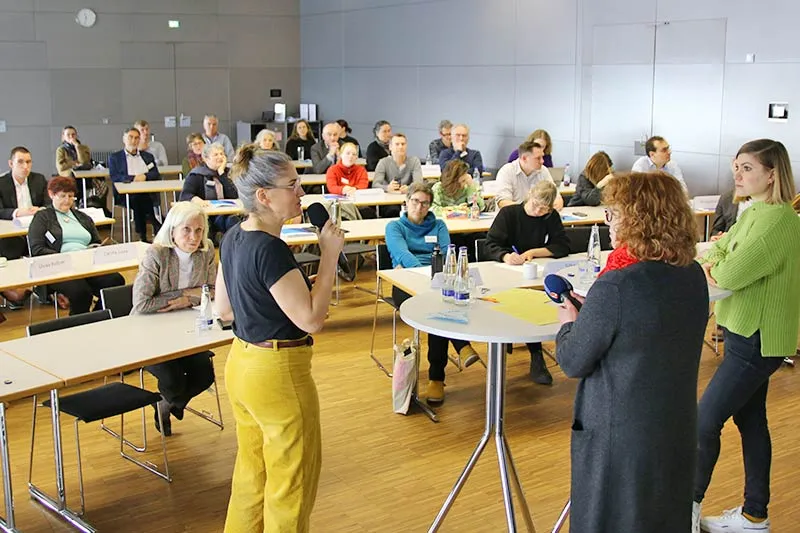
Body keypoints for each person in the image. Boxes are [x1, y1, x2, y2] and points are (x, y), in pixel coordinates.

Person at [555, 171, 709, 533]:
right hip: (674, 427)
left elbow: (573, 360)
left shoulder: (617, 285)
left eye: (614, 212)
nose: (608, 221)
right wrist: (594, 310)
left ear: (639, 217)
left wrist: (568, 322)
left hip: (619, 439)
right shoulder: (693, 275)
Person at [214, 145, 344, 532]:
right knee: (290, 487)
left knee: (251, 477)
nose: (302, 194)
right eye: (293, 185)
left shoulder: (234, 237)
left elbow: (224, 310)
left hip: (242, 366)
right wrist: (329, 256)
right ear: (264, 196)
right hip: (279, 375)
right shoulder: (270, 250)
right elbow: (311, 320)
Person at [694, 139, 800, 533]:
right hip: (743, 331)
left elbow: (726, 272)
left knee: (704, 422)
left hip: (757, 338)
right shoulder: (753, 211)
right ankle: (755, 515)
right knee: (752, 422)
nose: (737, 175)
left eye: (747, 169)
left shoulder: (777, 221)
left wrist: (720, 259)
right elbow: (714, 253)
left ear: (772, 174)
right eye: (736, 167)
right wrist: (720, 257)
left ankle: (685, 510)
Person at [385, 182, 479, 403]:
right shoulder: (395, 227)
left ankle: (437, 378)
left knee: (439, 306)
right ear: (406, 201)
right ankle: (458, 350)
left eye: (425, 203)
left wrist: (439, 277)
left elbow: (448, 253)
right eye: (415, 201)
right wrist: (424, 277)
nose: (419, 206)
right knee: (438, 307)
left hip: (438, 280)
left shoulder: (438, 225)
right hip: (406, 283)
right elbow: (402, 254)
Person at [131, 202, 216, 437]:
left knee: (204, 375)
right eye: (186, 230)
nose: (194, 237)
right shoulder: (156, 254)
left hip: (187, 328)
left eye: (199, 230)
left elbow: (212, 290)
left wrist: (190, 299)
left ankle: (166, 405)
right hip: (150, 332)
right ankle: (170, 401)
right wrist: (189, 295)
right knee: (174, 380)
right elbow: (142, 303)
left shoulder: (206, 250)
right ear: (172, 230)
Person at [484, 180, 570, 384]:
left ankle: (537, 355)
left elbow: (563, 245)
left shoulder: (550, 216)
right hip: (506, 271)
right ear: (529, 195)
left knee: (538, 299)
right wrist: (505, 256)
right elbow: (490, 244)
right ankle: (536, 356)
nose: (539, 211)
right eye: (536, 205)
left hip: (534, 271)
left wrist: (533, 252)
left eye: (544, 209)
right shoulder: (509, 214)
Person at [28, 176, 124, 315]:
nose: (67, 200)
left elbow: (96, 242)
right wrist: (67, 259)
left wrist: (96, 249)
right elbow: (37, 249)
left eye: (70, 196)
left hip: (87, 265)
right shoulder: (42, 217)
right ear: (51, 195)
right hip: (58, 267)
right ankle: (77, 323)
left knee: (115, 280)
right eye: (62, 196)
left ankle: (97, 316)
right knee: (81, 292)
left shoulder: (83, 217)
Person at [0, 146, 50, 306]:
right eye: (20, 162)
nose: (25, 166)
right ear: (10, 163)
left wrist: (40, 210)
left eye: (28, 162)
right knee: (10, 247)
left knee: (48, 246)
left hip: (35, 228)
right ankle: (13, 291)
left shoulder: (39, 179)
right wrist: (18, 212)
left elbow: (49, 204)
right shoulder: (2, 183)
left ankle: (46, 291)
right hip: (11, 230)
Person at [109, 127, 161, 242]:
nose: (133, 140)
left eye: (137, 138)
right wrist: (134, 178)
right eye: (130, 137)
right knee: (139, 198)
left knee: (142, 198)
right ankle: (153, 223)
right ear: (124, 139)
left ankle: (144, 233)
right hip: (125, 194)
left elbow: (155, 174)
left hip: (147, 192)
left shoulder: (148, 156)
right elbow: (115, 176)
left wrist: (145, 176)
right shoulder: (115, 158)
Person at [179, 142, 239, 237]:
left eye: (222, 154)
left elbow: (235, 195)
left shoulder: (228, 173)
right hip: (206, 215)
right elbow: (185, 195)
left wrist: (222, 174)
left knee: (234, 221)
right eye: (216, 154)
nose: (220, 157)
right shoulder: (196, 175)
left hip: (226, 213)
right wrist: (195, 199)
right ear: (206, 159)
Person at [495, 140, 563, 210]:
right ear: (524, 158)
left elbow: (556, 196)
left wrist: (557, 202)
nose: (542, 161)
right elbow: (503, 202)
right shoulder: (507, 171)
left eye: (542, 157)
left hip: (536, 215)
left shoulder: (543, 170)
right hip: (511, 217)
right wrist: (528, 209)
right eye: (538, 158)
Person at [373, 133, 422, 218]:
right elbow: (375, 185)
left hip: (409, 199)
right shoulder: (383, 162)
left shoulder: (414, 161)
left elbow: (419, 183)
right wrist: (387, 187)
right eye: (397, 144)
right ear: (390, 147)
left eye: (403, 144)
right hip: (389, 202)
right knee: (393, 211)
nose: (400, 147)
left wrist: (409, 188)